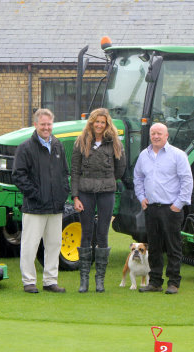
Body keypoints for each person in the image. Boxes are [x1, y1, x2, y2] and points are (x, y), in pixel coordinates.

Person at [12, 108, 70, 293]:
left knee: (54, 245)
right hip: (34, 207)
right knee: (30, 245)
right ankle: (29, 281)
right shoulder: (25, 148)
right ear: (35, 124)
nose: (46, 128)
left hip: (55, 207)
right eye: (43, 124)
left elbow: (64, 173)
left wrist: (63, 193)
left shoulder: (58, 145)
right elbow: (19, 176)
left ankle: (50, 281)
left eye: (49, 124)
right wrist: (36, 194)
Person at [133, 122, 193, 294]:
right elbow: (137, 178)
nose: (156, 136)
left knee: (173, 246)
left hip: (171, 209)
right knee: (155, 246)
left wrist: (178, 204)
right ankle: (155, 282)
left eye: (159, 133)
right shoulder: (144, 155)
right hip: (151, 208)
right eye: (153, 133)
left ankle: (173, 282)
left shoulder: (178, 155)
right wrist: (141, 198)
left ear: (167, 136)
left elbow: (187, 181)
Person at [71, 108, 126, 293]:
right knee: (86, 233)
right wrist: (75, 196)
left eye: (103, 122)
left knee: (103, 234)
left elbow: (120, 168)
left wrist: (107, 181)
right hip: (85, 192)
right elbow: (75, 171)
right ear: (91, 123)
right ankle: (84, 280)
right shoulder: (81, 142)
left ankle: (100, 280)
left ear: (107, 124)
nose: (100, 125)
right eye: (97, 122)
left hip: (106, 192)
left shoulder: (114, 143)